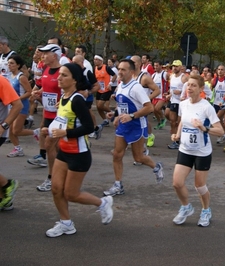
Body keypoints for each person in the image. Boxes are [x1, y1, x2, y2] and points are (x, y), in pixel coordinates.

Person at [43, 63, 113, 237]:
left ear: (74, 79)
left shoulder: (77, 100)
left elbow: (89, 127)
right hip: (64, 151)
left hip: (79, 154)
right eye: (59, 74)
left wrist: (65, 132)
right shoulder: (64, 97)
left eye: (64, 75)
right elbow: (63, 121)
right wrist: (50, 130)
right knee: (56, 188)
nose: (59, 78)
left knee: (71, 194)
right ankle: (66, 223)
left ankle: (102, 203)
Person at [103, 59, 164, 197]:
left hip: (136, 125)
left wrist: (131, 116)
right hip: (124, 125)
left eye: (123, 70)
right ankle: (118, 185)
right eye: (119, 69)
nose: (120, 72)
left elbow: (149, 107)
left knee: (138, 158)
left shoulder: (136, 87)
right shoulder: (120, 86)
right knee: (117, 155)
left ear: (131, 72)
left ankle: (156, 167)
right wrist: (116, 114)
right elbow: (122, 105)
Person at [171, 74, 224, 227]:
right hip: (185, 149)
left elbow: (220, 131)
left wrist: (204, 128)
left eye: (194, 85)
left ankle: (206, 210)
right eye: (188, 85)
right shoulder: (183, 104)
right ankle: (186, 207)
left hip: (202, 152)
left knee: (199, 186)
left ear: (201, 89)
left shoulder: (206, 107)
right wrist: (177, 135)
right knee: (177, 183)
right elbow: (182, 122)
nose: (189, 88)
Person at [28, 44, 63, 192]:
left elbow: (74, 91)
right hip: (48, 114)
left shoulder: (63, 71)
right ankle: (58, 176)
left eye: (46, 53)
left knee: (50, 145)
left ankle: (52, 178)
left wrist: (62, 101)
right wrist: (39, 92)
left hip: (60, 116)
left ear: (54, 55)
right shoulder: (46, 69)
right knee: (54, 147)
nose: (42, 56)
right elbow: (47, 87)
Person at [6, 54, 39, 158]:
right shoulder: (9, 76)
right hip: (11, 106)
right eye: (8, 63)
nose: (9, 65)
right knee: (9, 129)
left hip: (21, 106)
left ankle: (36, 132)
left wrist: (16, 100)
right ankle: (17, 148)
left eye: (12, 63)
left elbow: (29, 92)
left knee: (16, 130)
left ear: (18, 65)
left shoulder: (22, 77)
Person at [0, 75, 22, 210]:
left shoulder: (1, 81)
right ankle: (4, 199)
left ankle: (7, 184)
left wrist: (4, 126)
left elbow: (17, 104)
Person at [167, 60, 188, 149]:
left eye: (176, 66)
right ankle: (176, 139)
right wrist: (169, 94)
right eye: (173, 66)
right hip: (173, 100)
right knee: (170, 118)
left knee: (179, 122)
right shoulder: (171, 76)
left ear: (180, 67)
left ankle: (178, 140)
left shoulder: (184, 77)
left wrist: (181, 92)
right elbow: (172, 89)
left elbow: (190, 87)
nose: (174, 68)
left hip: (181, 102)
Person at [93, 55, 116, 127]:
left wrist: (110, 84)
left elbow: (114, 75)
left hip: (106, 89)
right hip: (99, 90)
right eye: (94, 59)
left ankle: (113, 113)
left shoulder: (106, 67)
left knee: (100, 105)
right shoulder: (95, 68)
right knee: (98, 107)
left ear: (100, 61)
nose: (95, 61)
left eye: (96, 59)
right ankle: (105, 120)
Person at [152, 60, 169, 130]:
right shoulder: (153, 75)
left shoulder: (165, 74)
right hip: (155, 96)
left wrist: (168, 91)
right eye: (154, 65)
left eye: (157, 65)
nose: (155, 67)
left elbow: (171, 81)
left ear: (161, 66)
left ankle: (163, 118)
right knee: (153, 110)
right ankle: (159, 122)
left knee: (157, 108)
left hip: (162, 96)